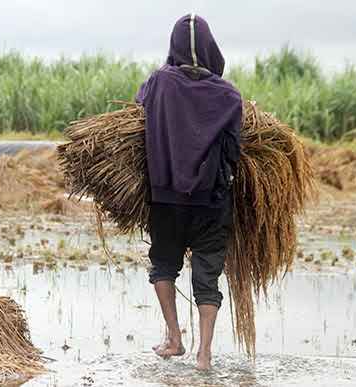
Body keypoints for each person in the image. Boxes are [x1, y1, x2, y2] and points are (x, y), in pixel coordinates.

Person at [135, 14, 242, 371]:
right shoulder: (228, 95)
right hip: (211, 200)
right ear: (211, 47)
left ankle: (174, 337)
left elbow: (138, 114)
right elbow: (236, 144)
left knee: (164, 264)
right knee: (207, 274)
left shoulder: (158, 83)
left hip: (166, 196)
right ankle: (205, 355)